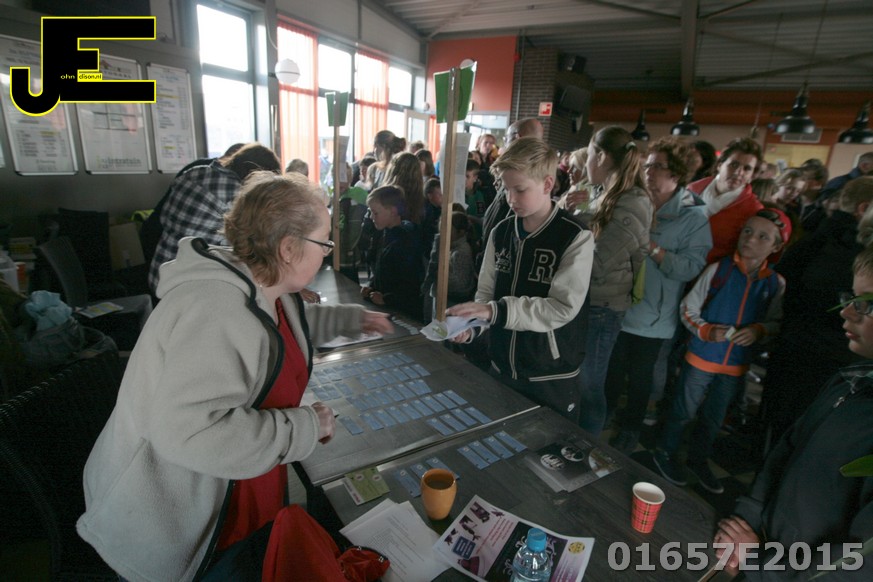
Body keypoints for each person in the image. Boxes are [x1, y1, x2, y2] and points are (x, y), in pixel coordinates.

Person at [77, 172, 394, 581]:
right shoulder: (215, 309)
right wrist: (305, 427)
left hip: (234, 492)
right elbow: (191, 433)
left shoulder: (262, 284)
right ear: (288, 247)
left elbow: (274, 331)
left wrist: (352, 320)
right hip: (182, 525)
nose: (327, 254)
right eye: (324, 243)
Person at [714, 245, 873, 579]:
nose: (846, 312)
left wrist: (757, 560)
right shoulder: (849, 380)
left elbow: (857, 565)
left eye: (866, 304)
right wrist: (748, 518)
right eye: (851, 297)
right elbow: (787, 449)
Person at [446, 137, 594, 423]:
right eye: (505, 189)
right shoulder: (501, 232)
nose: (511, 199)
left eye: (520, 189)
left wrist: (494, 311)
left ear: (548, 184)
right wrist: (472, 326)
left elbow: (562, 307)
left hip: (550, 375)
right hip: (501, 365)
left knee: (549, 447)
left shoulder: (574, 236)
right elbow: (486, 294)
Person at [654, 209, 790, 493]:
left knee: (714, 417)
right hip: (701, 358)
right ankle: (665, 451)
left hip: (736, 365)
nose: (750, 239)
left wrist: (758, 331)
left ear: (776, 246)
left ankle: (698, 459)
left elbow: (775, 322)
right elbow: (688, 308)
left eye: (763, 237)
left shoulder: (775, 283)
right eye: (747, 231)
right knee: (683, 410)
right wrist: (705, 330)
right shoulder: (719, 270)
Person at [604, 137, 711, 454]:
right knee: (611, 369)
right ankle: (604, 416)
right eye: (647, 165)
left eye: (657, 166)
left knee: (641, 380)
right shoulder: (633, 200)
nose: (648, 172)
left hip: (654, 316)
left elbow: (690, 268)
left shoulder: (693, 217)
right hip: (617, 303)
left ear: (676, 173)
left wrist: (652, 249)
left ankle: (630, 428)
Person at [761, 176, 873, 448]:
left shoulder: (817, 236)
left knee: (776, 418)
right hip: (832, 355)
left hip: (793, 342)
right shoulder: (856, 253)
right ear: (863, 208)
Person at [575, 125, 653, 436]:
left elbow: (597, 263)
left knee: (589, 385)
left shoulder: (633, 202)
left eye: (589, 155)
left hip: (602, 307)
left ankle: (587, 445)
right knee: (578, 381)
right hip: (586, 299)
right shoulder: (600, 191)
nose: (585, 163)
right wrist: (572, 208)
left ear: (602, 156)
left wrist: (575, 217)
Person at [148, 143, 282, 293]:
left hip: (159, 272)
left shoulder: (194, 172)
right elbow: (249, 247)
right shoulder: (238, 195)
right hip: (186, 287)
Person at [687, 137, 764, 263]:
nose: (739, 172)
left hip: (713, 269)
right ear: (720, 165)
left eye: (747, 168)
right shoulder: (692, 189)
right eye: (734, 164)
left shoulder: (753, 209)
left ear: (752, 175)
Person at [360, 185, 424, 321]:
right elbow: (381, 271)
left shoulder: (406, 241)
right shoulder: (382, 234)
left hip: (404, 313)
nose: (371, 217)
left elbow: (411, 285)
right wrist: (371, 288)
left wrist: (387, 299)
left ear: (393, 211)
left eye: (375, 213)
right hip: (385, 308)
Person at [481, 118, 544, 246]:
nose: (504, 144)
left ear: (517, 138)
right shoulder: (536, 168)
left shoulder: (521, 171)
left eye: (506, 139)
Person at [422, 211, 477, 321]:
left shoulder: (461, 252)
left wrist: (439, 274)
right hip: (444, 299)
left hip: (451, 303)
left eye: (447, 229)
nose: (442, 233)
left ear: (460, 232)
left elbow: (461, 283)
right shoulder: (449, 247)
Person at [556, 147, 591, 214]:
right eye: (570, 166)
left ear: (585, 170)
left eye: (574, 168)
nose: (569, 171)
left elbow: (578, 217)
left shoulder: (584, 191)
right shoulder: (575, 187)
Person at [421, 177, 443, 260]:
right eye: (439, 195)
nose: (442, 197)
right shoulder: (427, 212)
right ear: (430, 196)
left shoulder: (438, 208)